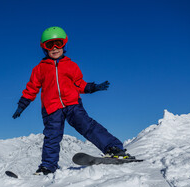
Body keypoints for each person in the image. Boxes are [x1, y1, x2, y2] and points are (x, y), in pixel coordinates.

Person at [12, 26, 133, 175]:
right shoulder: (39, 69)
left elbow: (79, 84)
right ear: (44, 48)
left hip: (72, 104)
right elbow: (32, 88)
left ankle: (114, 148)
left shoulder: (71, 65)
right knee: (52, 136)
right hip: (51, 108)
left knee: (87, 126)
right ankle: (48, 166)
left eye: (58, 43)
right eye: (50, 45)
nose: (55, 48)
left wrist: (93, 87)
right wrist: (22, 105)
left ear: (64, 44)